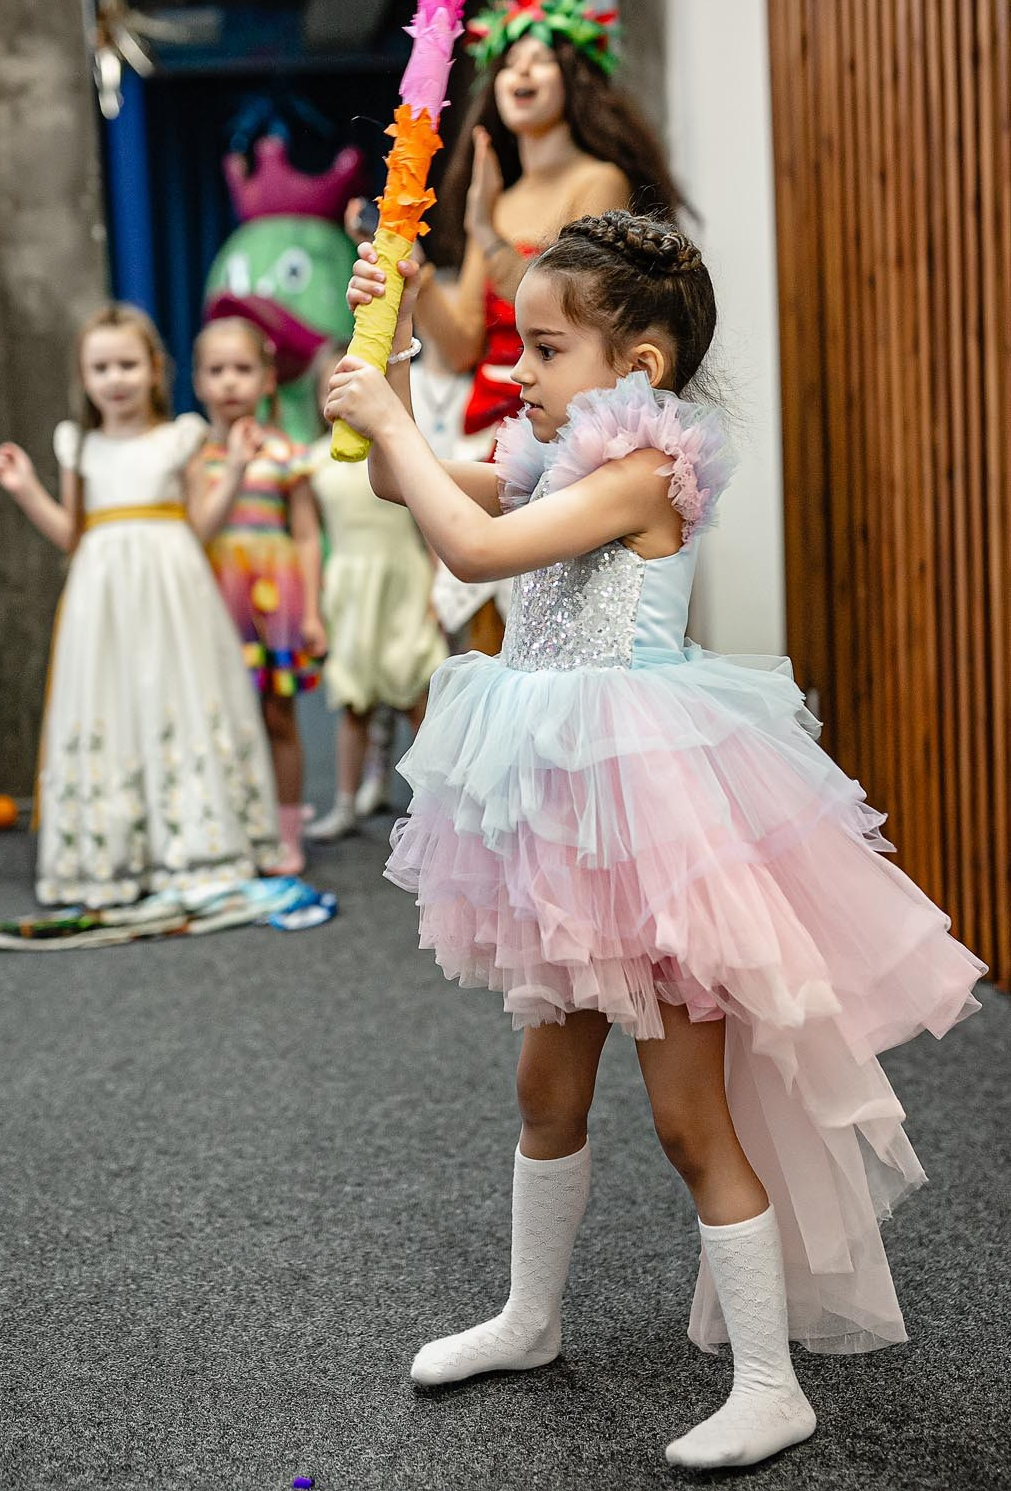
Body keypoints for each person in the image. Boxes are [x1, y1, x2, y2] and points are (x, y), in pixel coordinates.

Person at [331, 219, 985, 1471]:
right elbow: (389, 480)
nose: (517, 368)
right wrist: (394, 346)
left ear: (633, 366)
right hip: (562, 821)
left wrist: (390, 415)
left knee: (688, 1118)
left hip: (653, 826)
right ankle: (529, 1317)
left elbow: (468, 549)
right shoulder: (554, 457)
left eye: (542, 345)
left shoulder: (640, 473)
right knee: (543, 1086)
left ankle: (766, 1381)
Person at [415, 0, 682, 652]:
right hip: (491, 428)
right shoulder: (498, 207)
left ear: (572, 77)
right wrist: (414, 284)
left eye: (537, 58)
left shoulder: (598, 182)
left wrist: (483, 232)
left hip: (567, 437)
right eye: (508, 60)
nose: (519, 71)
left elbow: (572, 310)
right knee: (481, 640)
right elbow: (462, 346)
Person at [0, 303, 277, 907]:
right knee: (114, 703)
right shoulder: (79, 445)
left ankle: (198, 846)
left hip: (174, 589)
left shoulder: (183, 438)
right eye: (100, 368)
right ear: (84, 378)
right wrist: (26, 491)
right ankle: (114, 852)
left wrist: (235, 473)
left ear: (154, 370)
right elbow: (75, 533)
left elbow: (200, 525)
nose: (114, 379)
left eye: (127, 364)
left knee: (180, 696)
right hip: (103, 595)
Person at [187, 316, 325, 876]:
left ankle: (287, 830)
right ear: (198, 382)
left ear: (268, 380)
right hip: (217, 607)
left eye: (242, 370)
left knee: (279, 717)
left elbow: (308, 535)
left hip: (276, 607)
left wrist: (313, 611)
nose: (229, 383)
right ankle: (234, 828)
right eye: (216, 371)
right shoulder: (193, 457)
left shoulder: (288, 453)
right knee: (219, 719)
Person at [307, 346, 446, 843]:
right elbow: (306, 541)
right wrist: (311, 609)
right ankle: (346, 800)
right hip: (350, 589)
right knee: (354, 698)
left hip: (402, 580)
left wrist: (438, 584)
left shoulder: (397, 455)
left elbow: (429, 520)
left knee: (415, 688)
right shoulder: (312, 465)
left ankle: (437, 799)